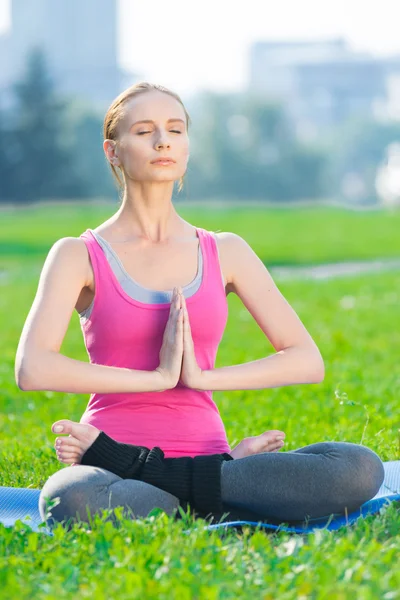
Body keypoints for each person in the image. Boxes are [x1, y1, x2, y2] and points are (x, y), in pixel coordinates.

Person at [15, 82, 384, 531]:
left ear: (187, 147)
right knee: (68, 497)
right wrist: (156, 378)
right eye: (144, 131)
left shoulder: (225, 250)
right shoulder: (78, 254)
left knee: (360, 467)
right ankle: (211, 491)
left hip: (195, 458)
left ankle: (180, 486)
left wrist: (202, 378)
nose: (162, 140)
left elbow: (306, 360)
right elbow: (32, 368)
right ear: (113, 151)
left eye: (175, 129)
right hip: (111, 468)